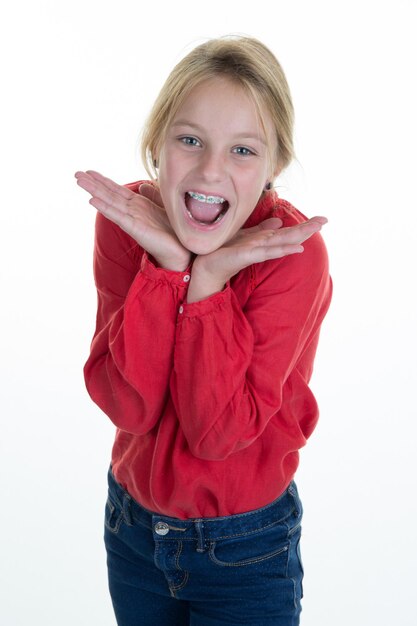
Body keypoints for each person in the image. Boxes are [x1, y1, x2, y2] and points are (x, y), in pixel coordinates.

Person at [75, 35, 332, 626]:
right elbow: (128, 405)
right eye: (190, 140)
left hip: (246, 549)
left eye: (243, 150)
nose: (211, 170)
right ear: (157, 146)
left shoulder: (292, 257)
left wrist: (209, 282)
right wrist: (167, 268)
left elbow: (217, 434)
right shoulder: (130, 225)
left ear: (274, 166)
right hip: (133, 530)